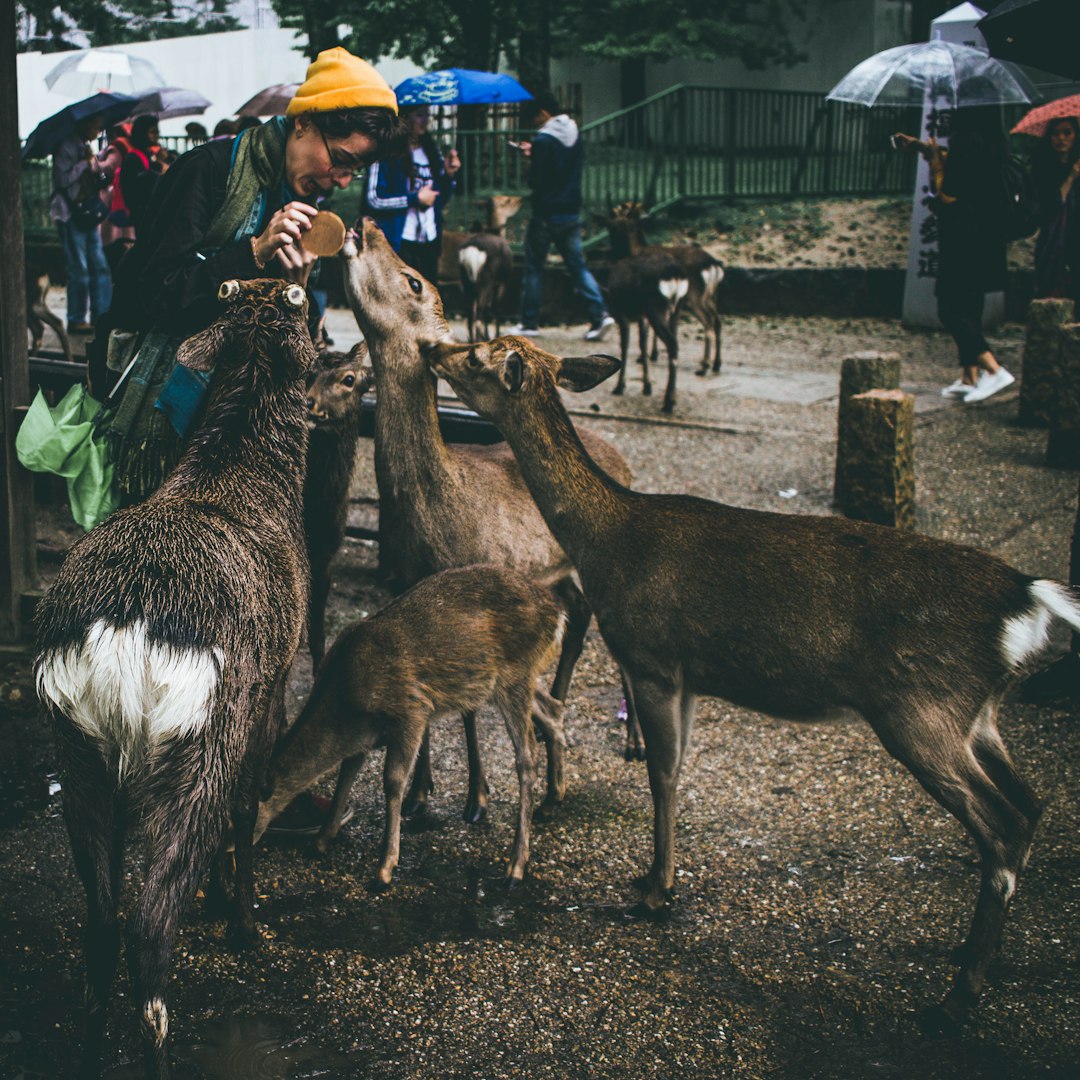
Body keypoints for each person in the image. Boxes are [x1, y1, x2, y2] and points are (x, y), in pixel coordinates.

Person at [89, 47, 406, 839]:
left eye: (351, 170)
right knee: (177, 610)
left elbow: (296, 316)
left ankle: (257, 780)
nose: (337, 179)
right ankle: (163, 778)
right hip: (178, 425)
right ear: (303, 126)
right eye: (338, 158)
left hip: (262, 439)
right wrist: (251, 255)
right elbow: (143, 294)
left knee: (265, 612)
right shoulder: (207, 173)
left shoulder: (311, 206)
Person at [893, 111, 1015, 404]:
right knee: (969, 304)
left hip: (961, 241)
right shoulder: (991, 147)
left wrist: (935, 164)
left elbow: (947, 196)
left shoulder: (966, 146)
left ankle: (993, 367)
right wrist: (924, 148)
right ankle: (969, 375)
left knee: (950, 308)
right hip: (985, 241)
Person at [510, 90, 613, 341]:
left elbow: (538, 180)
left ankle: (529, 322)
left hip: (546, 212)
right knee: (577, 266)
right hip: (570, 212)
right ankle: (600, 314)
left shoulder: (543, 141)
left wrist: (531, 158)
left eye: (535, 118)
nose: (535, 123)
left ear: (544, 113)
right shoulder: (574, 134)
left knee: (534, 268)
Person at [364, 103, 460, 284]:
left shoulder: (432, 152)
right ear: (406, 118)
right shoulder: (388, 153)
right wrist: (413, 199)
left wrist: (448, 175)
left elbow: (439, 200)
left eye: (427, 115)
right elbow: (373, 199)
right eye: (420, 115)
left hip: (429, 241)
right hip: (399, 241)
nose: (426, 121)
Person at [50, 111, 113, 334]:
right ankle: (76, 318)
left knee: (100, 266)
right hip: (69, 213)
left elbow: (94, 175)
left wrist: (93, 163)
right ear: (85, 125)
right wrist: (83, 163)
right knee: (80, 269)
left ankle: (101, 315)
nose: (97, 132)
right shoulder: (67, 146)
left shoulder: (85, 147)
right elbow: (62, 180)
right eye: (96, 126)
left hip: (86, 213)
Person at [1031, 116, 1080, 303]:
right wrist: (1071, 177)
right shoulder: (1042, 165)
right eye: (1056, 133)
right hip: (1055, 232)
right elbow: (1051, 205)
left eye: (1067, 133)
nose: (1061, 138)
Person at [117, 113, 170, 233]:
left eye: (157, 131)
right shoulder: (133, 158)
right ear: (142, 133)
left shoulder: (147, 155)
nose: (157, 135)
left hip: (148, 213)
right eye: (152, 132)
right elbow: (142, 186)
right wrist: (160, 164)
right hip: (142, 215)